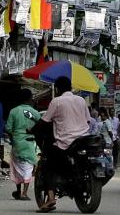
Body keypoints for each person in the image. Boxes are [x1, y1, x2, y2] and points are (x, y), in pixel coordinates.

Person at [37, 76, 92, 212]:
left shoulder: (57, 101)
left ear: (58, 88)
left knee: (49, 165)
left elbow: (44, 122)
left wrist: (32, 130)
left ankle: (50, 198)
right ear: (70, 87)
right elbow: (88, 121)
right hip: (84, 140)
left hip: (65, 142)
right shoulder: (80, 100)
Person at [5, 89, 40, 201]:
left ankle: (19, 191)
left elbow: (8, 128)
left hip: (17, 143)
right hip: (30, 143)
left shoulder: (13, 111)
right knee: (28, 167)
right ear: (30, 99)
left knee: (17, 167)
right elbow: (40, 126)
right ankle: (24, 193)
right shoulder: (35, 113)